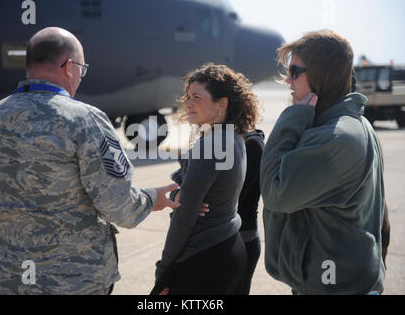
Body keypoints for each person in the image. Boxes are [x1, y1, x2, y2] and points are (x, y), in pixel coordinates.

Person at [0, 27, 179, 295]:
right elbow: (118, 206)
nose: (80, 77)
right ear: (68, 66)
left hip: (6, 279)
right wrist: (150, 199)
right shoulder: (85, 120)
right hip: (75, 282)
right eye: (81, 69)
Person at [260, 29, 386, 295]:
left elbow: (274, 192)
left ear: (321, 76)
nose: (287, 80)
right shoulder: (354, 125)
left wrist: (291, 117)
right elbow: (381, 220)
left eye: (294, 71)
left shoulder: (334, 138)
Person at [150, 63, 261, 295]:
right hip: (228, 247)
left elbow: (184, 215)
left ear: (222, 103)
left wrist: (164, 269)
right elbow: (189, 193)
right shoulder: (233, 136)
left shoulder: (211, 144)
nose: (188, 103)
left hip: (203, 259)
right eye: (188, 96)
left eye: (197, 97)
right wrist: (181, 194)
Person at [238, 129, 265, 294]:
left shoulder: (251, 144)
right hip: (224, 238)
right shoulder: (220, 140)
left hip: (241, 239)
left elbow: (230, 200)